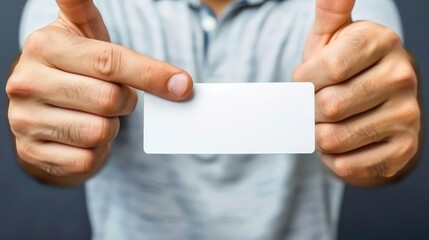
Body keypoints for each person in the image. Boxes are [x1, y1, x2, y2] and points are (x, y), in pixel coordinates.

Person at [6, 0, 421, 239]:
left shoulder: (349, 6)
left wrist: (383, 133)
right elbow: (46, 158)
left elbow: (386, 153)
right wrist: (46, 135)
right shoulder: (74, 6)